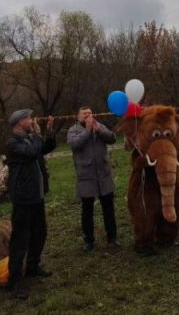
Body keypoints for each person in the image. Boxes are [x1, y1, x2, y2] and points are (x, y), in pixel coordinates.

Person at [4, 109, 56, 299]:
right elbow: (33, 152)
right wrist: (36, 134)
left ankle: (33, 267)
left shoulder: (28, 140)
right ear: (19, 123)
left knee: (40, 233)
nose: (31, 120)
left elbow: (45, 148)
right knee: (20, 240)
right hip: (24, 199)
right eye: (28, 118)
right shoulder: (13, 144)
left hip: (37, 196)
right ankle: (14, 281)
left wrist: (49, 132)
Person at [66, 106, 119, 252]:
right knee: (87, 210)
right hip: (86, 176)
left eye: (90, 113)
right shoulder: (73, 130)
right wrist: (88, 130)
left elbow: (112, 138)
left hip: (103, 174)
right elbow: (75, 144)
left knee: (108, 208)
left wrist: (99, 130)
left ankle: (112, 238)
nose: (88, 115)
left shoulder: (99, 126)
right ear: (78, 117)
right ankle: (89, 240)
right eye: (84, 114)